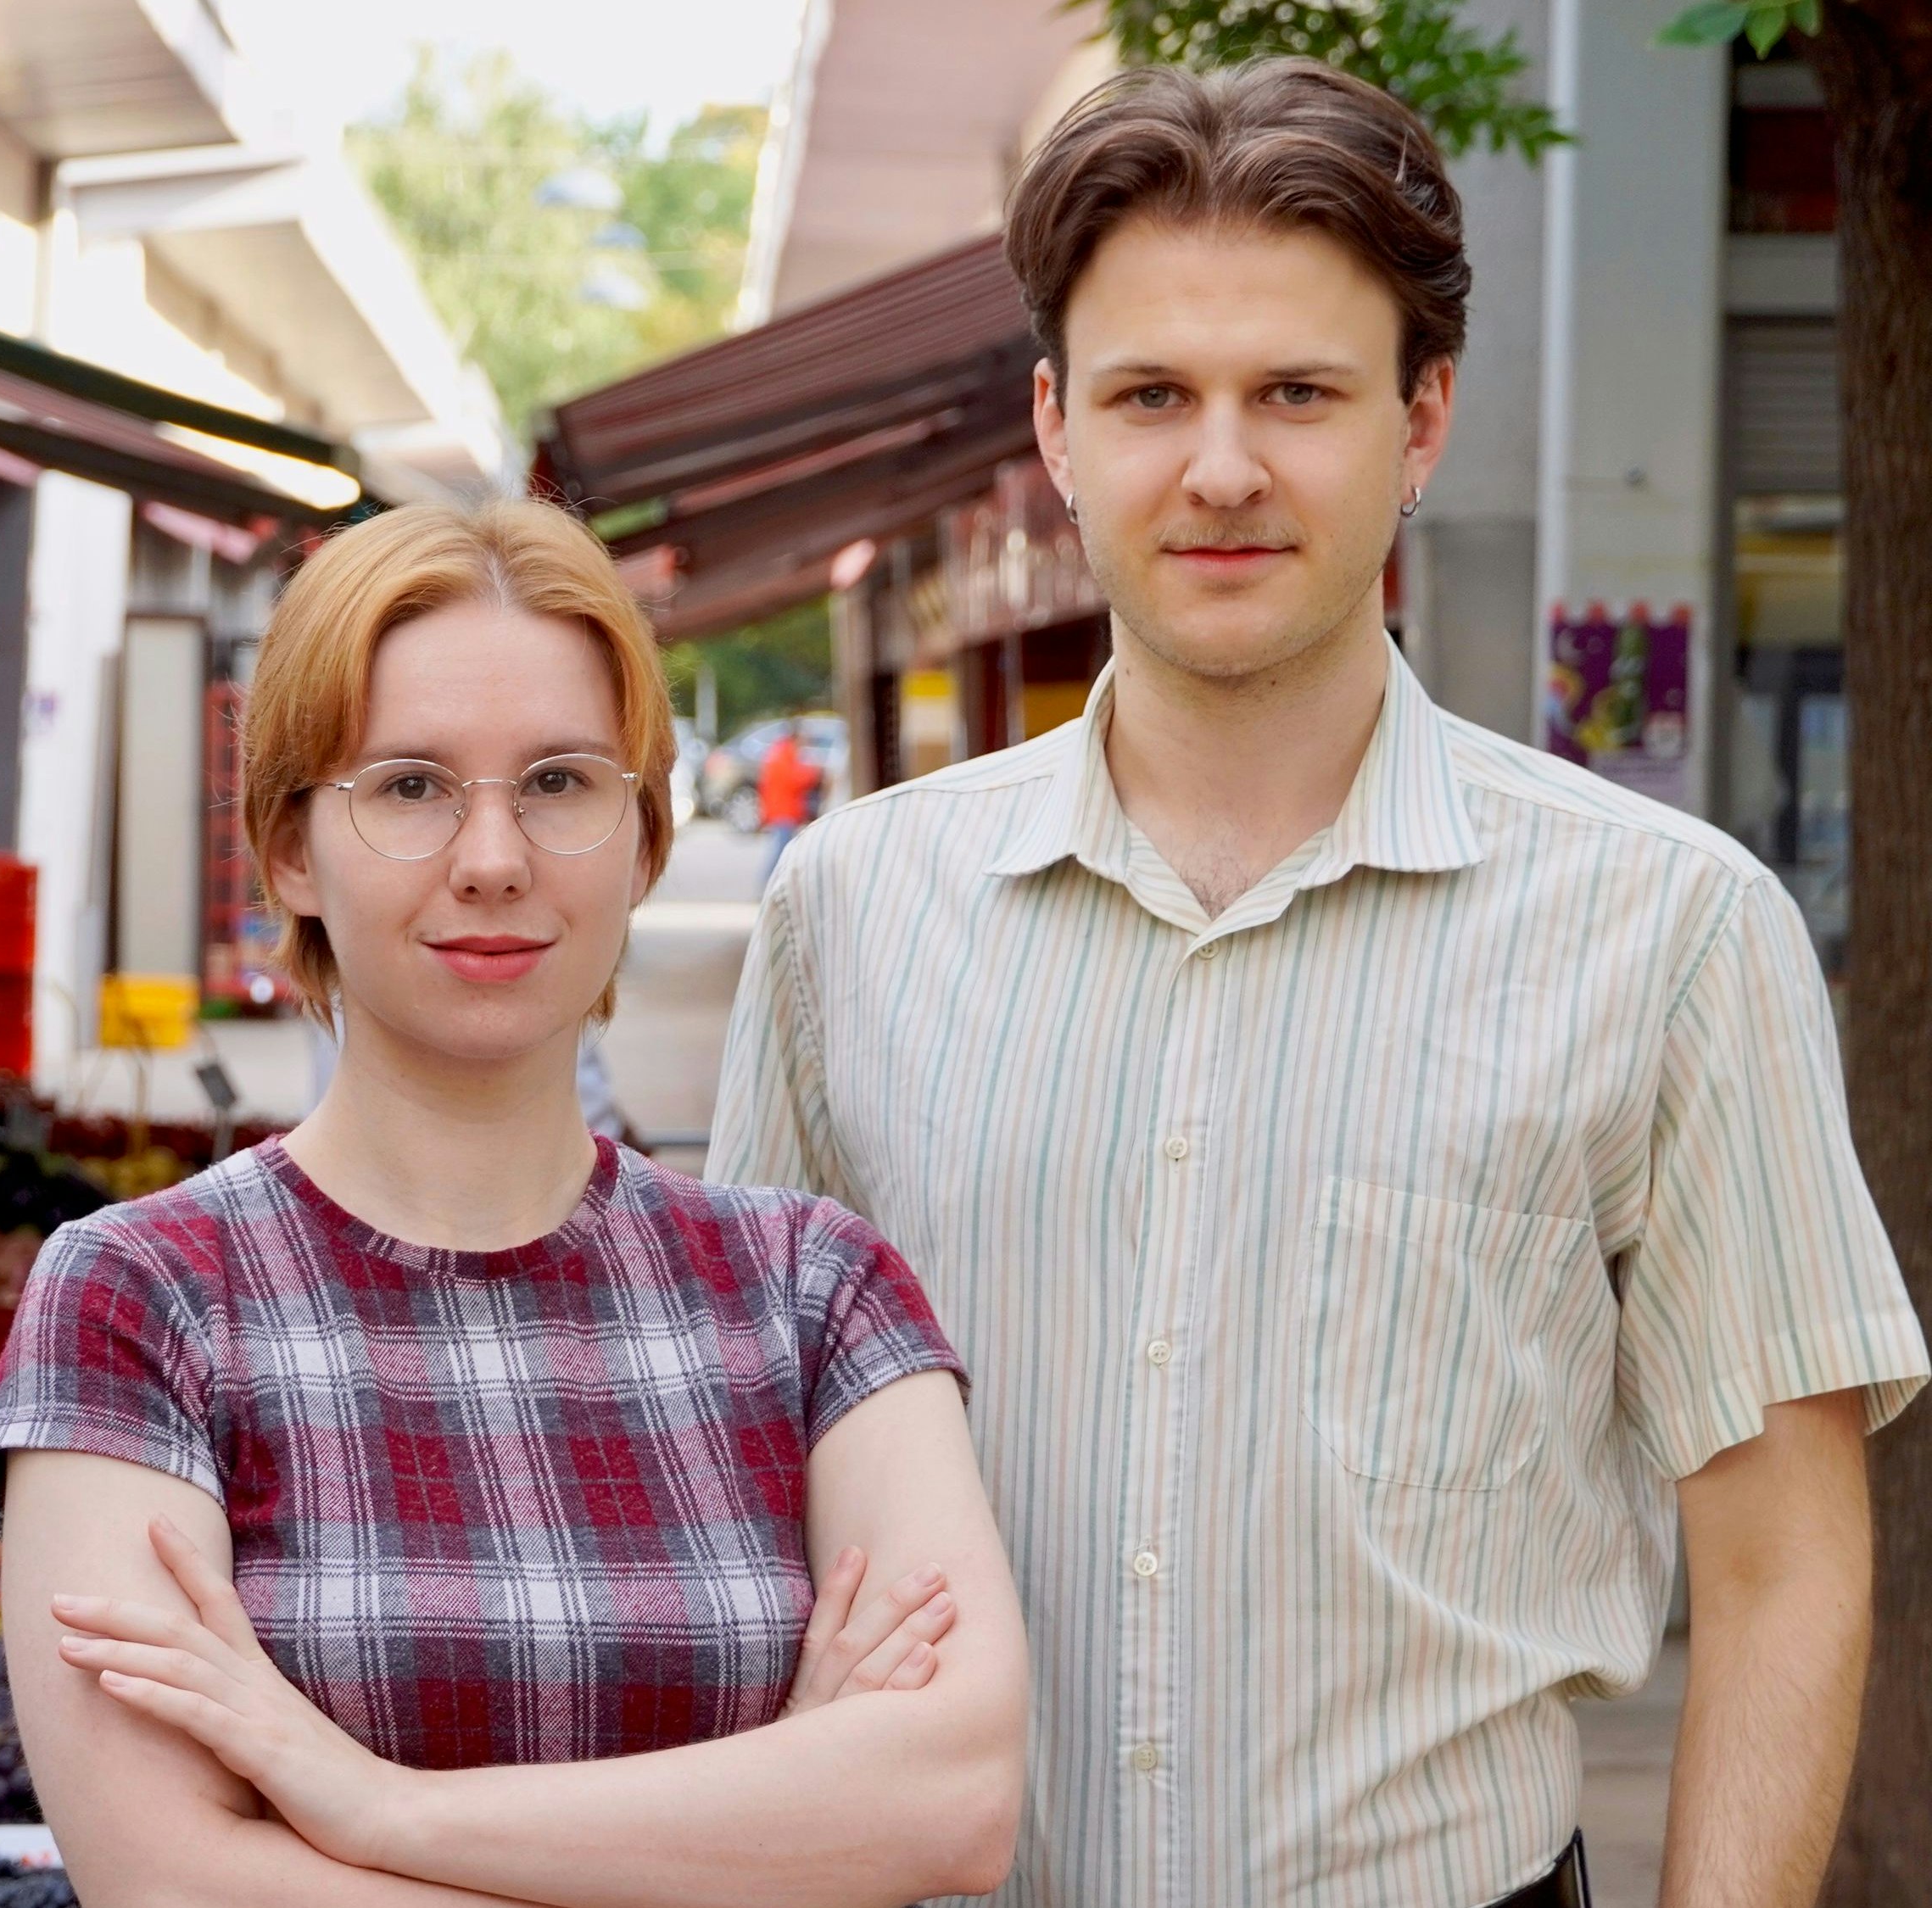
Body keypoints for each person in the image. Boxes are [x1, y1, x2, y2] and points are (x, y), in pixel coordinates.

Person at [708, 61, 1929, 1908]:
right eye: (1149, 395)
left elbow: (1780, 1564)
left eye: (1296, 392)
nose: (1220, 470)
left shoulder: (1672, 932)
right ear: (1053, 428)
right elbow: (740, 1488)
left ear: (1421, 420)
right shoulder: (851, 916)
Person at [0, 499, 1028, 1907]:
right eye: (409, 786)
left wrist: (370, 1805)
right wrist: (781, 1826)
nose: (493, 857)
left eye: (560, 782)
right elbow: (174, 1886)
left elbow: (955, 1800)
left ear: (643, 839)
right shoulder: (141, 1302)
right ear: (289, 852)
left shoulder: (814, 1293)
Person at [756, 726, 818, 881]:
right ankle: (769, 882)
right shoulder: (784, 756)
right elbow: (794, 780)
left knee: (782, 849)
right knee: (781, 851)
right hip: (784, 811)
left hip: (782, 809)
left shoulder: (780, 754)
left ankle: (772, 882)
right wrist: (811, 773)